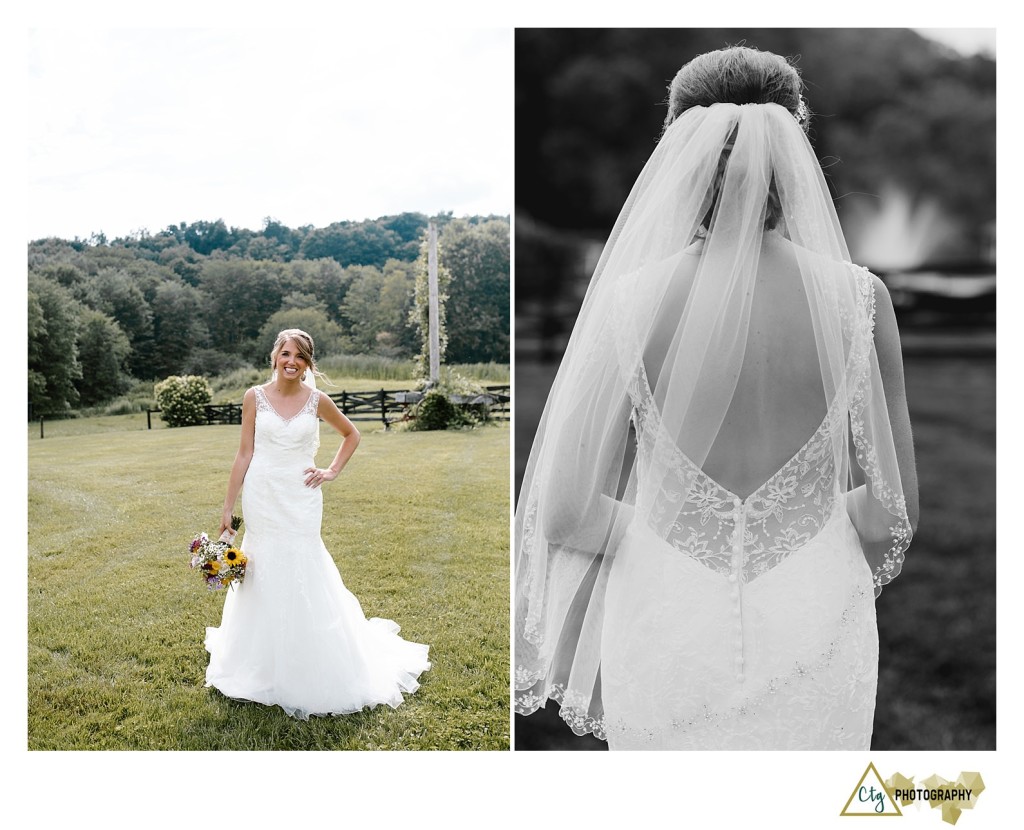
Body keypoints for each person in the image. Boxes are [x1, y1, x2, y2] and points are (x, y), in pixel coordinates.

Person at [514, 46, 918, 750]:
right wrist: (808, 522)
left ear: (678, 154)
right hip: (815, 604)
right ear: (793, 151)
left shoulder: (631, 301)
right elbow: (889, 513)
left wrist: (662, 532)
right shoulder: (861, 301)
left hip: (665, 605)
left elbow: (565, 512)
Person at [205, 328, 430, 718]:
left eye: (302, 357)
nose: (293, 362)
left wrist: (331, 471)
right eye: (287, 354)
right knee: (263, 566)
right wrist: (228, 507)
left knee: (303, 563)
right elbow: (244, 454)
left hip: (302, 496)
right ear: (274, 356)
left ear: (308, 364)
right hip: (263, 495)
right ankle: (260, 658)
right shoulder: (253, 398)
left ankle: (310, 653)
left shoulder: (317, 400)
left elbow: (351, 434)